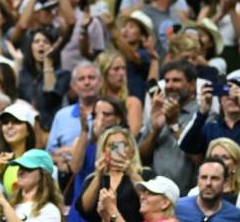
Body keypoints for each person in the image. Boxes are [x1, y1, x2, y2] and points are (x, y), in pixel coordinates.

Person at [139, 61, 199, 195]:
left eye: (176, 80)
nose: (170, 85)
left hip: (188, 196)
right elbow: (141, 158)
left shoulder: (202, 115)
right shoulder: (158, 111)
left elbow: (200, 159)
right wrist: (155, 130)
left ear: (192, 85)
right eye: (167, 81)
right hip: (155, 194)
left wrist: (174, 125)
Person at [96, 51, 142, 137]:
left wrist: (109, 148)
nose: (122, 73)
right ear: (104, 72)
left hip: (119, 148)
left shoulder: (132, 103)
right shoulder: (95, 102)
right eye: (116, 69)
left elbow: (130, 138)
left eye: (124, 68)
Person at [188, 138, 240, 206]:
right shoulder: (194, 193)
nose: (219, 162)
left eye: (225, 157)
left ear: (236, 164)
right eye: (215, 157)